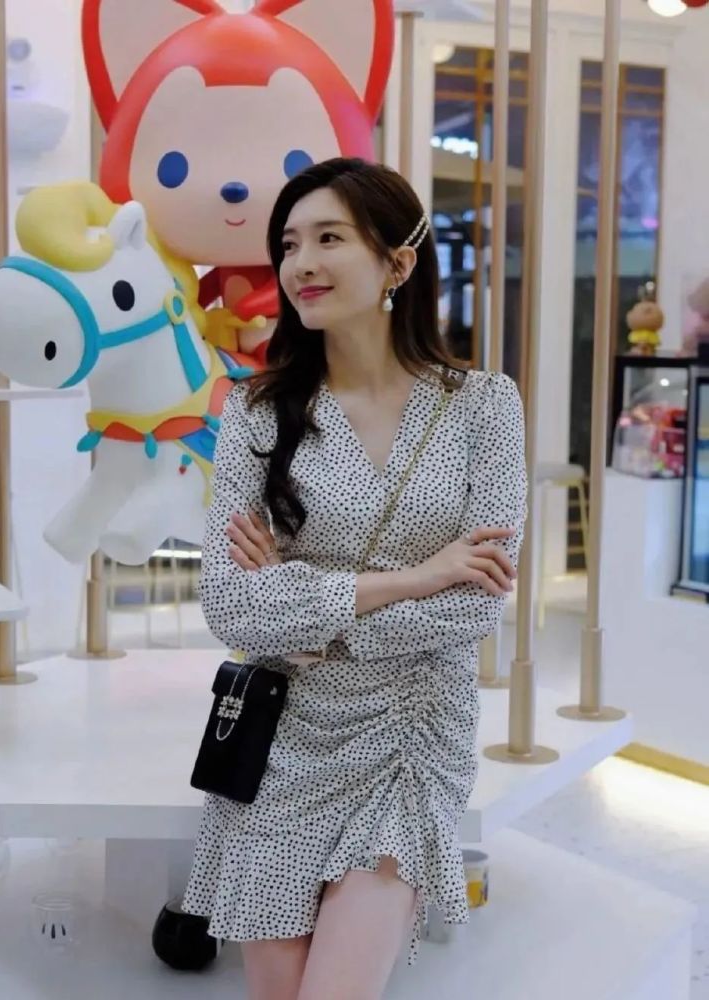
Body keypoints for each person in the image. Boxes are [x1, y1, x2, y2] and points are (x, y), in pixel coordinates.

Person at [181, 157, 527, 1000]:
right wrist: (417, 576)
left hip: (409, 735)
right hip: (281, 737)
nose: (300, 263)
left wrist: (299, 608)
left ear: (397, 262)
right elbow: (229, 605)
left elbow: (472, 606)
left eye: (328, 238)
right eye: (288, 244)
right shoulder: (257, 412)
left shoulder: (483, 406)